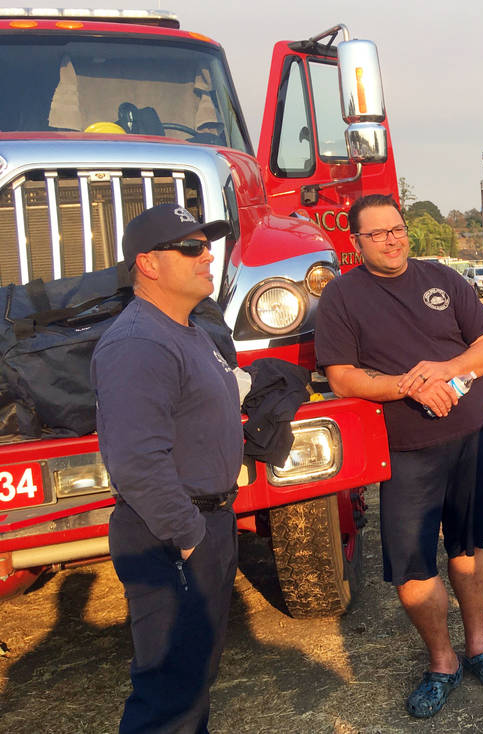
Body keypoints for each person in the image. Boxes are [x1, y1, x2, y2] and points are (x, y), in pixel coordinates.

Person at [314, 193, 483, 718]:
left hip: (471, 433)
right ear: (356, 242)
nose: (392, 239)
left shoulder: (443, 280)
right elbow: (342, 376)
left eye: (397, 229)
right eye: (377, 233)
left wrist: (443, 370)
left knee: (469, 544)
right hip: (402, 449)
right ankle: (442, 662)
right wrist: (408, 386)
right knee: (411, 567)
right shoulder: (341, 297)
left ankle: (478, 647)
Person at [92, 203, 242, 733]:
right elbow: (135, 459)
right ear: (148, 264)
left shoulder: (187, 330)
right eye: (191, 248)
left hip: (207, 525)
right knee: (167, 695)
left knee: (194, 677)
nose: (208, 256)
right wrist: (189, 535)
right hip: (169, 535)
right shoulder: (138, 343)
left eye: (208, 245)